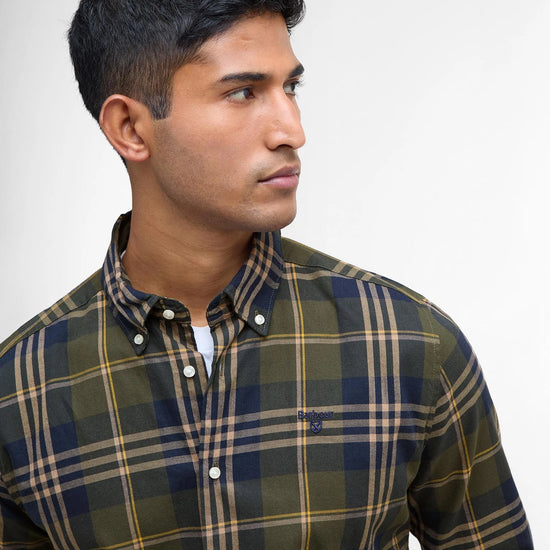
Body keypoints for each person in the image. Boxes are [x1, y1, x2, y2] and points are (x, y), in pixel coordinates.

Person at [0, 0, 533, 548]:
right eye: (243, 93)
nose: (292, 131)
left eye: (291, 87)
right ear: (130, 127)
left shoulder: (409, 344)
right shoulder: (19, 392)